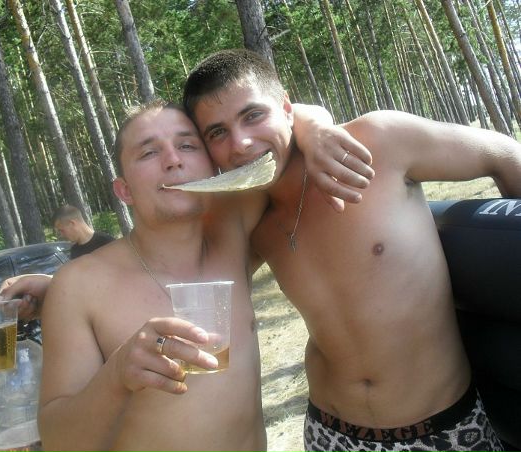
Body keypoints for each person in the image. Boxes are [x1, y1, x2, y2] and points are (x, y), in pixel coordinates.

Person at [183, 48, 521, 452]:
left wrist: (313, 124)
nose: (240, 143)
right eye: (217, 133)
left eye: (253, 115)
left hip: (444, 429)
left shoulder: (378, 141)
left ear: (286, 108)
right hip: (330, 433)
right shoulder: (250, 219)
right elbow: (194, 281)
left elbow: (504, 154)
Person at [33, 99, 373, 452]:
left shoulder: (232, 232)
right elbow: (58, 442)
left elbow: (273, 122)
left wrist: (316, 127)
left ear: (211, 168)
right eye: (149, 153)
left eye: (187, 146)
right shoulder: (77, 287)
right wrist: (117, 375)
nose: (173, 160)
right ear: (125, 190)